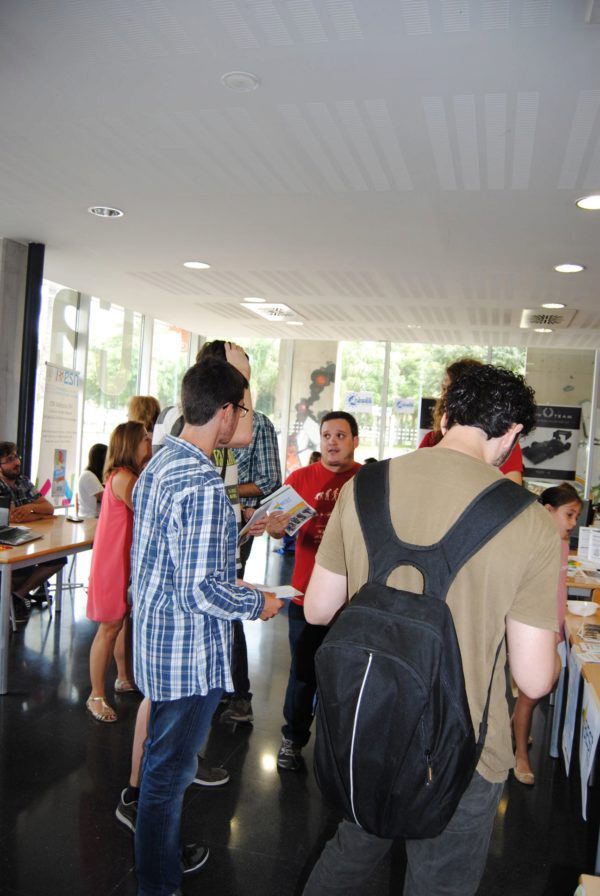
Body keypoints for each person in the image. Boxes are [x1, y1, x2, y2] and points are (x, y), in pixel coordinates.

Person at [300, 365, 560, 896]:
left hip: (371, 719)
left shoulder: (364, 484)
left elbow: (319, 610)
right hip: (466, 749)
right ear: (512, 432)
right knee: (439, 882)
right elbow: (534, 680)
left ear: (444, 418)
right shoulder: (529, 519)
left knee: (350, 855)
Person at [131, 357, 283, 896]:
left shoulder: (163, 462)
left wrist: (238, 544)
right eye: (243, 409)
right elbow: (201, 590)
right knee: (167, 778)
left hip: (159, 641)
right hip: (188, 656)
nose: (244, 419)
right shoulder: (202, 483)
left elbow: (179, 560)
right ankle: (158, 884)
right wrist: (258, 602)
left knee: (161, 768)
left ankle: (159, 866)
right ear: (225, 411)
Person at [267, 412, 361, 771]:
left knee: (345, 677)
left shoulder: (366, 480)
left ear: (355, 441)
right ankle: (293, 738)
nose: (332, 442)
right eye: (326, 435)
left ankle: (338, 747)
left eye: (341, 435)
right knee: (303, 673)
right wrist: (275, 528)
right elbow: (276, 529)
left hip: (353, 601)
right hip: (306, 595)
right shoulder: (300, 479)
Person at [512, 481, 582, 786]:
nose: (573, 523)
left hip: (553, 629)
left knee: (545, 686)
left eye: (576, 516)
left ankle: (516, 725)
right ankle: (520, 755)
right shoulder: (531, 545)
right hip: (535, 630)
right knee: (532, 693)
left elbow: (559, 592)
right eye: (569, 515)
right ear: (548, 511)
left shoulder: (563, 544)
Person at [85, 422, 151, 723]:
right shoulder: (124, 478)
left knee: (121, 623)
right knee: (110, 627)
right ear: (132, 444)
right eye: (145, 439)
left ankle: (123, 677)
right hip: (113, 563)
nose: (149, 443)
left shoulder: (126, 476)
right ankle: (96, 695)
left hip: (121, 560)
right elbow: (150, 511)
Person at [220, 410, 282, 724]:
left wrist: (226, 490)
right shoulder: (205, 419)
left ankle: (239, 696)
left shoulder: (258, 424)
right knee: (214, 609)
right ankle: (220, 688)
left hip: (238, 527)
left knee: (229, 606)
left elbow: (269, 480)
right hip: (212, 522)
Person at [419, 357, 524, 484]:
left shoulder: (502, 444)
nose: (446, 397)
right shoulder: (431, 440)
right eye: (444, 389)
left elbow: (512, 489)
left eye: (452, 390)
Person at [0, 440, 66, 620]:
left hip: (25, 538)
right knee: (22, 568)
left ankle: (18, 596)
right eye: (9, 460)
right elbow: (13, 517)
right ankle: (12, 599)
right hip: (6, 543)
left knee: (58, 558)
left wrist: (29, 507)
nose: (17, 462)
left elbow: (49, 508)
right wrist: (40, 515)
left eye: (16, 457)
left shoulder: (23, 481)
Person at [77, 443, 107, 519]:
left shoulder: (91, 475)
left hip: (92, 519)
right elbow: (106, 498)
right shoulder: (88, 476)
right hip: (90, 520)